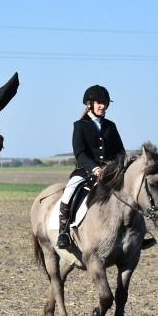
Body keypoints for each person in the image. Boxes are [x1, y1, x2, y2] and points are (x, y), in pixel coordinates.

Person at [55, 84, 126, 248]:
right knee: (69, 192)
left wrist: (118, 166)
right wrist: (94, 168)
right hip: (86, 171)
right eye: (99, 102)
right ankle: (63, 231)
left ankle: (134, 233)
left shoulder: (110, 126)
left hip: (110, 172)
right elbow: (80, 153)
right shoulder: (79, 126)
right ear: (89, 104)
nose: (103, 106)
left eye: (105, 103)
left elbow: (120, 152)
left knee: (130, 192)